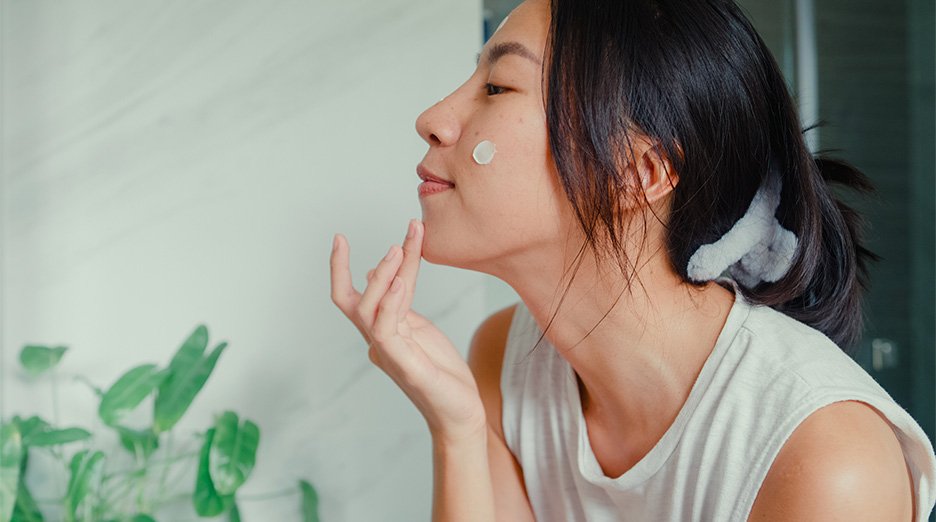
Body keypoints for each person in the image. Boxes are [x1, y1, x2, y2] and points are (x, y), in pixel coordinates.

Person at [330, 0, 936, 520]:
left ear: (638, 173)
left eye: (496, 87)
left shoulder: (828, 458)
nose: (431, 120)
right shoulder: (502, 360)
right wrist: (457, 430)